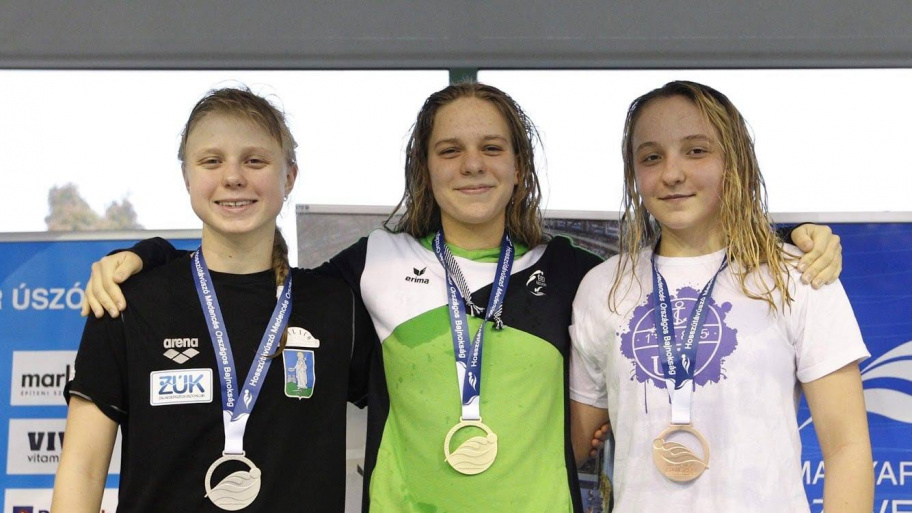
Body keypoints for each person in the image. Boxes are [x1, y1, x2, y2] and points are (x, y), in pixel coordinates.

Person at [78, 82, 844, 512]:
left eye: (491, 148)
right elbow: (252, 283)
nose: (471, 164)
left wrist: (794, 237)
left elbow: (687, 262)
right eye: (450, 149)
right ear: (425, 167)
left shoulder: (583, 277)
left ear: (520, 167)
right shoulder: (371, 264)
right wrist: (146, 256)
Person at [52, 88, 371, 513]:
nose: (233, 177)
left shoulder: (336, 306)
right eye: (211, 161)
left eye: (254, 161)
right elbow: (83, 469)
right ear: (187, 177)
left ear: (289, 177)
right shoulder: (128, 302)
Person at [569, 81, 873, 512]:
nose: (672, 173)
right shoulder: (604, 287)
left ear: (736, 160)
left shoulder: (798, 276)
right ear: (633, 173)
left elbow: (847, 448)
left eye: (696, 151)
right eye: (652, 157)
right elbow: (572, 446)